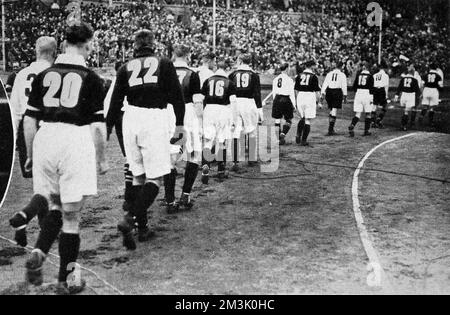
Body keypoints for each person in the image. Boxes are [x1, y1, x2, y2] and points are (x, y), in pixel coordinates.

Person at [23, 22, 107, 295]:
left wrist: (30, 154)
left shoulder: (44, 74)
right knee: (71, 217)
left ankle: (39, 250)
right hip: (74, 139)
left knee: (54, 206)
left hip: (45, 138)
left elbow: (29, 119)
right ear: (86, 44)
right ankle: (65, 280)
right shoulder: (91, 78)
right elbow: (97, 126)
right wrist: (102, 159)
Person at [107, 29, 185, 250]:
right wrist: (179, 125)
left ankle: (142, 228)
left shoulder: (124, 68)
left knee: (137, 177)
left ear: (135, 46)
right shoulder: (164, 63)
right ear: (153, 45)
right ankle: (129, 218)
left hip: (130, 118)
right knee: (155, 179)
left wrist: (107, 129)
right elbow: (178, 99)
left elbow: (114, 103)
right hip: (153, 117)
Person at [8, 36, 57, 247]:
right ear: (54, 53)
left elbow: (15, 112)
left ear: (36, 52)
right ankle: (36, 220)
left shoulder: (21, 75)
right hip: (49, 127)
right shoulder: (54, 73)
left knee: (40, 181)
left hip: (25, 131)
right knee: (52, 183)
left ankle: (37, 222)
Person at [164, 44, 203, 213]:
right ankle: (185, 195)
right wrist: (200, 123)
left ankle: (170, 200)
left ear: (173, 55)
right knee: (194, 154)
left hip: (168, 112)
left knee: (171, 157)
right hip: (187, 111)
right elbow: (198, 103)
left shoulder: (165, 72)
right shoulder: (193, 74)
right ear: (188, 55)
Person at [200, 58, 236, 184]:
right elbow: (233, 102)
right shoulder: (229, 82)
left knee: (208, 141)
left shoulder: (208, 80)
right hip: (223, 110)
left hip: (209, 109)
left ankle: (206, 166)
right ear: (226, 69)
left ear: (216, 68)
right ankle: (221, 170)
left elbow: (202, 99)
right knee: (222, 140)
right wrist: (233, 119)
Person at [228, 53, 263, 170]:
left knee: (236, 132)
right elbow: (257, 94)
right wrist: (260, 110)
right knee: (252, 131)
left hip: (235, 103)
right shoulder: (254, 75)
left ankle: (235, 161)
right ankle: (252, 159)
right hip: (249, 103)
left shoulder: (232, 74)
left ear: (240, 60)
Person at [295, 60, 321, 146]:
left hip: (300, 96)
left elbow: (296, 89)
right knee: (307, 119)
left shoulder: (299, 75)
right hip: (309, 96)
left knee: (302, 117)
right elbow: (317, 92)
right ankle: (304, 140)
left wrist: (296, 100)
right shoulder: (314, 76)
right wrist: (318, 102)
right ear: (312, 66)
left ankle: (298, 134)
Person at [320, 61, 347, 136]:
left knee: (332, 109)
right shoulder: (342, 74)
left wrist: (322, 93)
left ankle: (331, 128)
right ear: (341, 67)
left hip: (329, 92)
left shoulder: (329, 74)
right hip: (337, 92)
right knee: (334, 110)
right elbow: (344, 86)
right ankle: (330, 129)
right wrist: (345, 96)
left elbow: (325, 84)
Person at [348, 62, 375, 137]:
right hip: (367, 94)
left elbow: (354, 87)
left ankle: (352, 125)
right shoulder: (370, 76)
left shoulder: (358, 75)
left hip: (358, 93)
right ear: (368, 68)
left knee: (358, 113)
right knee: (368, 113)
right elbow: (372, 88)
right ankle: (366, 130)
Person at [372, 62, 390, 128]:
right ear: (384, 69)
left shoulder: (375, 75)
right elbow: (386, 86)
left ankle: (373, 122)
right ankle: (379, 120)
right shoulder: (386, 75)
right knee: (384, 106)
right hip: (381, 90)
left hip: (375, 90)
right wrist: (386, 95)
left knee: (374, 106)